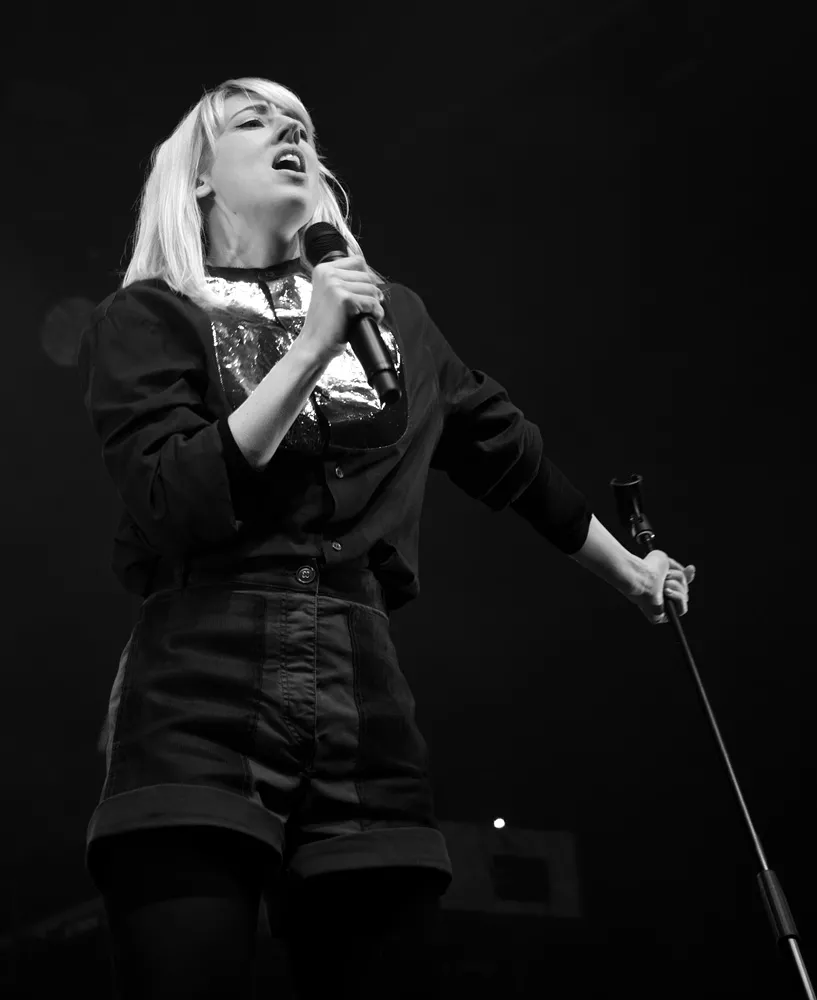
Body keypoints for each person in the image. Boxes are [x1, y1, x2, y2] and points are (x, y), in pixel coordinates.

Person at [78, 76, 696, 999]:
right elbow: (174, 498)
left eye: (300, 124)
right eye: (255, 121)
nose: (289, 131)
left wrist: (632, 575)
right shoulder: (152, 315)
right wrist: (310, 345)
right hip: (199, 673)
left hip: (360, 689)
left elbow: (508, 457)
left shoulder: (393, 316)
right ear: (198, 175)